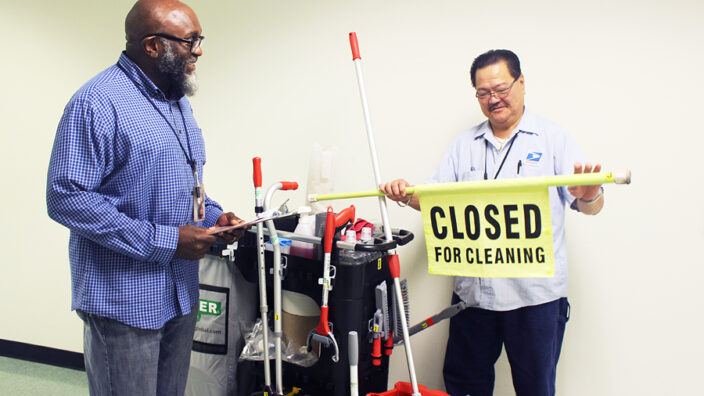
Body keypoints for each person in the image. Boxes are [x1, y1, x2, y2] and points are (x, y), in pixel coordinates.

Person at [46, 1, 244, 395]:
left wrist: (215, 220)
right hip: (124, 302)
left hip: (179, 295)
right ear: (153, 45)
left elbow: (183, 185)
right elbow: (65, 197)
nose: (199, 50)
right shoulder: (96, 103)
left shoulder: (178, 103)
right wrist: (167, 241)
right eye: (191, 41)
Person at [379, 49, 604, 396]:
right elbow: (435, 202)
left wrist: (588, 195)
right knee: (464, 387)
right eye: (483, 93)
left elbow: (590, 205)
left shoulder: (553, 139)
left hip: (535, 300)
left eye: (500, 88)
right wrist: (405, 194)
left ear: (522, 83)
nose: (493, 99)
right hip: (474, 298)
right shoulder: (464, 145)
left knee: (536, 389)